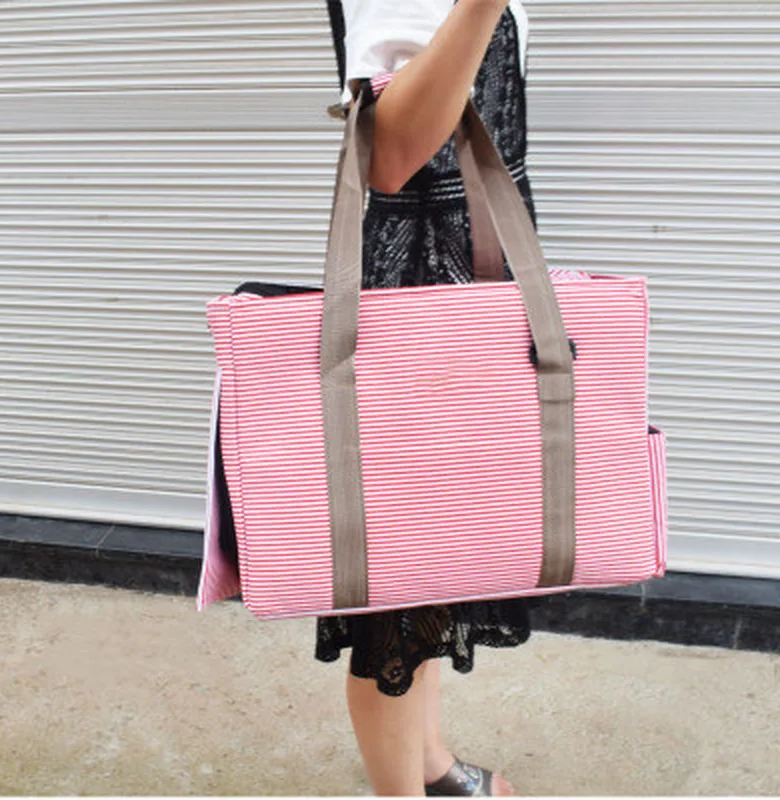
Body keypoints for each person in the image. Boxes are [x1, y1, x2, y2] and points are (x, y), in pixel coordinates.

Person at [315, 1, 537, 796]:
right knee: (395, 600)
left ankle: (432, 764)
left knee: (434, 567)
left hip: (472, 270)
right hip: (421, 284)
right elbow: (393, 152)